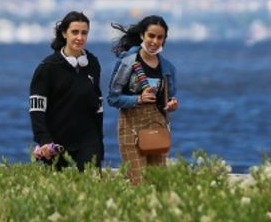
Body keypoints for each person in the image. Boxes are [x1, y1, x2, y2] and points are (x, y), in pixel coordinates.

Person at [29, 11, 104, 171]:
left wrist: (99, 142)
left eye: (84, 33)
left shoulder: (93, 63)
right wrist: (44, 141)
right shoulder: (47, 67)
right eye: (74, 32)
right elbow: (37, 109)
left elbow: (98, 105)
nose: (80, 37)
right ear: (64, 33)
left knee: (92, 186)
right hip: (56, 142)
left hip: (88, 141)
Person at [108, 15, 179, 184]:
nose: (154, 41)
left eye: (159, 37)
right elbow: (113, 98)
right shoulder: (127, 62)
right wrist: (138, 99)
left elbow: (168, 98)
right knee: (137, 183)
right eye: (151, 36)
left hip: (157, 126)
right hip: (130, 128)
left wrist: (171, 104)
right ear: (142, 35)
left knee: (159, 182)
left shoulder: (168, 68)